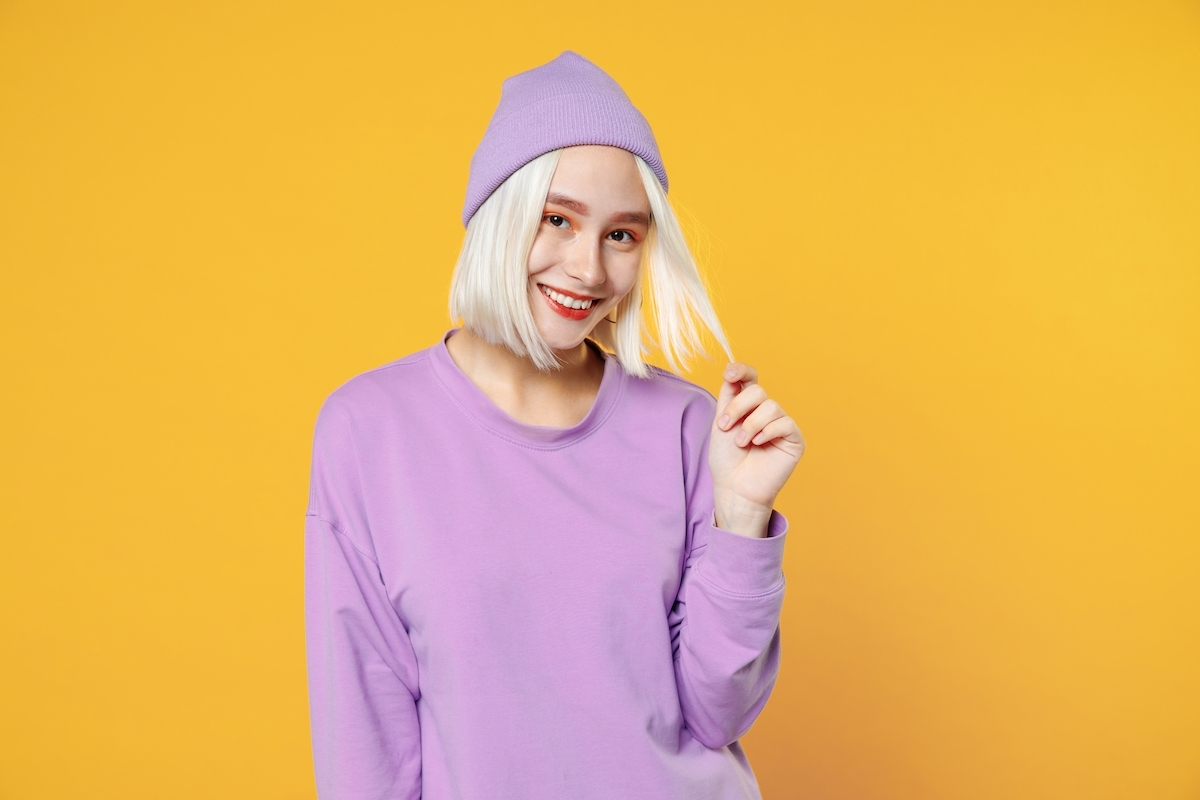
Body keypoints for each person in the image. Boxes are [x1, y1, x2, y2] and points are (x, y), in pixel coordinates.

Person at [304, 51, 805, 799]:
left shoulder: (686, 424)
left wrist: (741, 515)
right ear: (497, 216)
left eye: (622, 235)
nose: (589, 270)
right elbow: (364, 734)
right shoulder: (370, 429)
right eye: (557, 220)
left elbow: (717, 713)